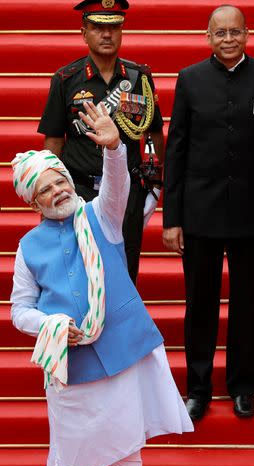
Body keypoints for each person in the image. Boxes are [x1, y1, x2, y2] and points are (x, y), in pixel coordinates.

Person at [10, 102, 193, 466]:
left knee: (126, 447)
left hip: (119, 353)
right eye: (45, 189)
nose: (56, 190)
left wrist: (114, 147)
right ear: (34, 201)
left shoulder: (101, 218)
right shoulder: (28, 247)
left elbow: (119, 188)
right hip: (67, 361)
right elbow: (20, 312)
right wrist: (49, 325)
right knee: (70, 453)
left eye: (60, 181)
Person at [162, 5, 254, 421]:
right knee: (199, 304)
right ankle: (198, 388)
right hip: (200, 213)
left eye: (235, 32)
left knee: (245, 303)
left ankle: (242, 386)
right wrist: (172, 218)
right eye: (220, 33)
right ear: (208, 37)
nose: (228, 39)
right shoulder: (190, 79)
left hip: (251, 214)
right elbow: (177, 150)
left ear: (248, 34)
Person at [38, 0, 165, 283]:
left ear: (122, 31)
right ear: (84, 33)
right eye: (98, 27)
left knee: (124, 270)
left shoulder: (138, 77)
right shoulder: (65, 79)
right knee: (76, 272)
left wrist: (154, 180)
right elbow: (55, 141)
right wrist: (47, 188)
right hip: (80, 191)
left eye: (113, 27)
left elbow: (152, 133)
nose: (106, 34)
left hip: (126, 192)